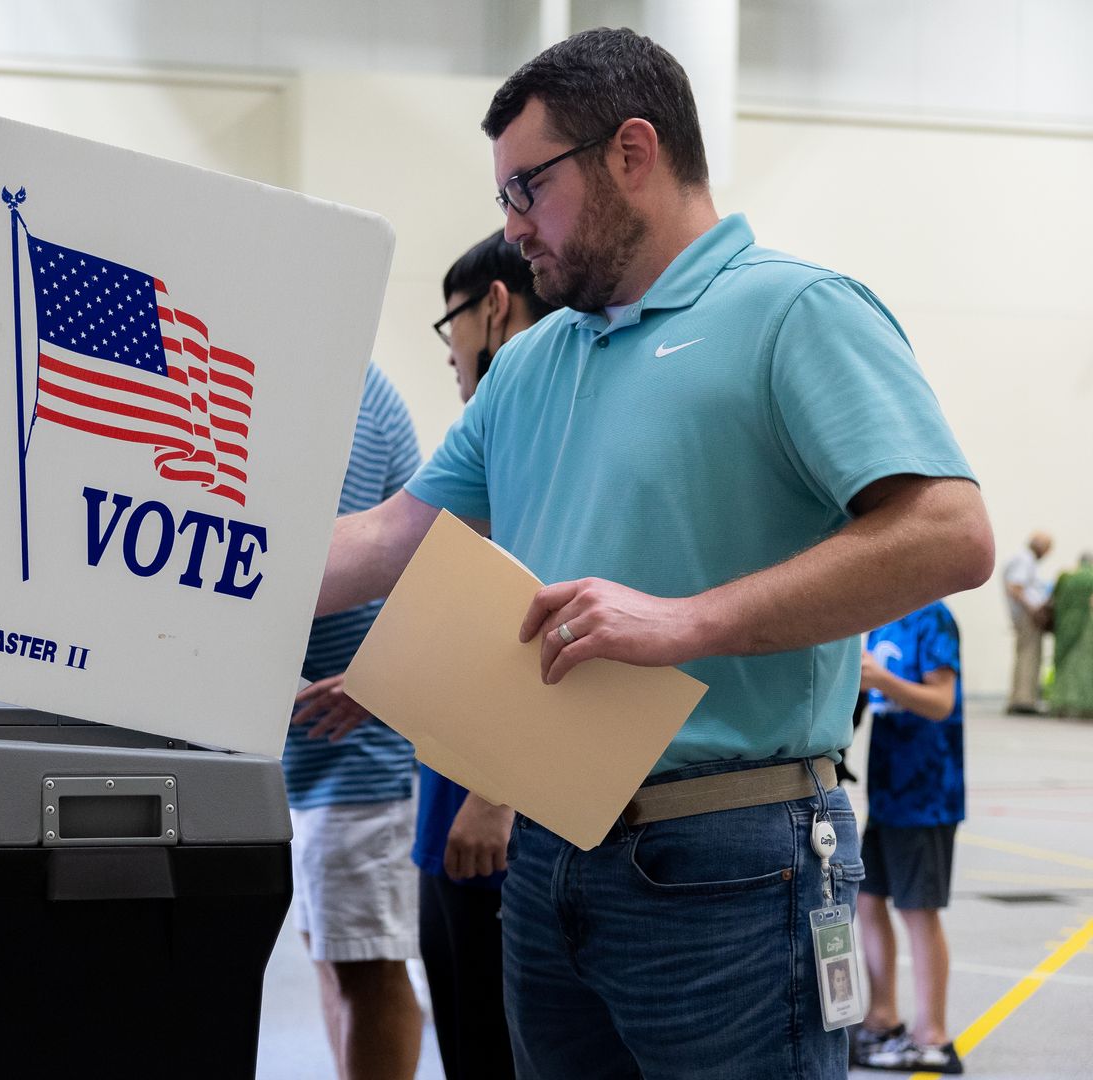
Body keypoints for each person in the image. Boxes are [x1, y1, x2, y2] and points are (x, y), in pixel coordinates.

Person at [316, 27, 993, 1079]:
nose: (510, 227)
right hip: (550, 859)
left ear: (632, 152)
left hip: (738, 862)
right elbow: (384, 542)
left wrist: (684, 622)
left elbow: (948, 533)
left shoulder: (793, 312)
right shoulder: (534, 362)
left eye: (527, 189)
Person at [416, 230, 551, 1079]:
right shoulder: (490, 434)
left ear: (493, 306)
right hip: (451, 782)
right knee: (465, 1029)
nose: (450, 352)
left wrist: (496, 793)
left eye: (451, 324)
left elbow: (543, 613)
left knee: (492, 1045)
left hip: (492, 804)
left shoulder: (542, 429)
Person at [284, 361, 423, 1080]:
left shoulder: (347, 390)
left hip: (356, 742)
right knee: (335, 958)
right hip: (301, 746)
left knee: (366, 966)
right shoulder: (304, 379)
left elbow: (313, 557)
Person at [853, 600, 966, 1075]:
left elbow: (942, 702)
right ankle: (882, 1019)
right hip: (888, 792)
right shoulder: (879, 621)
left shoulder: (934, 618)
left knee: (918, 911)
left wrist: (880, 679)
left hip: (927, 793)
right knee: (868, 900)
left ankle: (933, 1037)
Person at [1003, 531, 1052, 713]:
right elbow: (1015, 588)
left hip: (1024, 615)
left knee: (1024, 655)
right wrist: (1034, 611)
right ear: (1040, 546)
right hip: (1027, 616)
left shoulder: (1023, 559)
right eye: (1047, 549)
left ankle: (1019, 699)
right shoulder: (1025, 560)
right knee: (1029, 656)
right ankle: (1024, 702)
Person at [1047, 553, 1093, 718]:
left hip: (1064, 623)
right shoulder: (1090, 578)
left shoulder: (1066, 577)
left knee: (1064, 663)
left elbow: (1053, 598)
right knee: (1085, 666)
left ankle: (1061, 703)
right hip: (1086, 626)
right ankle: (1085, 706)